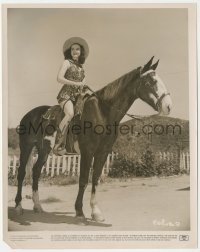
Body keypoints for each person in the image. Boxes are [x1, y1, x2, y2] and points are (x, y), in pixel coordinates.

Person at [53, 37, 89, 155]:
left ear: (81, 52)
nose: (75, 51)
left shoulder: (81, 68)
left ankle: (73, 146)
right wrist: (75, 83)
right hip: (66, 95)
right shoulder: (66, 62)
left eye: (77, 49)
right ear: (69, 51)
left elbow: (82, 84)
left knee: (83, 116)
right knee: (70, 114)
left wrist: (84, 88)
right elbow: (59, 78)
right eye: (72, 49)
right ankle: (58, 145)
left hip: (77, 97)